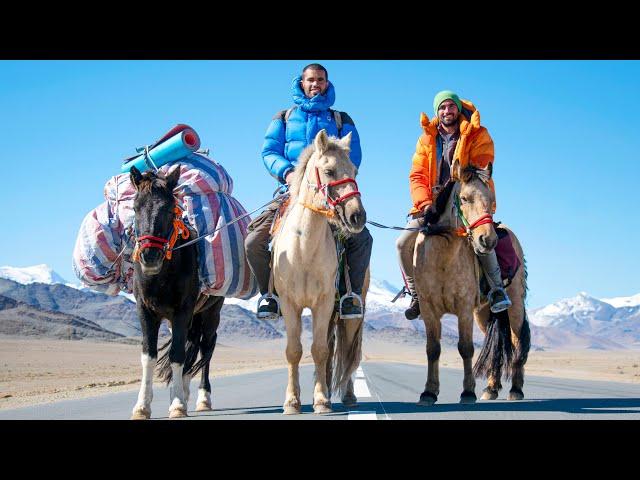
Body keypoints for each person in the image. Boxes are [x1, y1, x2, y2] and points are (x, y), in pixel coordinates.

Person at [245, 63, 373, 320]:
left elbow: (353, 155)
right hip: (290, 191)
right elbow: (269, 151)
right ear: (301, 83)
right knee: (253, 241)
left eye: (321, 80)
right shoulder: (284, 117)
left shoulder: (341, 120)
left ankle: (351, 296)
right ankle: (269, 295)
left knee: (361, 238)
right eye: (311, 80)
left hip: (331, 196)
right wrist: (288, 173)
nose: (316, 84)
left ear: (327, 83)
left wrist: (338, 178)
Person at [396, 90, 511, 320]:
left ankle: (497, 289)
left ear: (458, 109)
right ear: (437, 111)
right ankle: (416, 293)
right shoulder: (426, 138)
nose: (447, 111)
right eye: (442, 107)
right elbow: (417, 174)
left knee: (482, 238)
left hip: (467, 198)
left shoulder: (478, 133)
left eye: (451, 106)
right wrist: (425, 202)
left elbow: (483, 163)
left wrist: (462, 176)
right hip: (433, 204)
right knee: (402, 243)